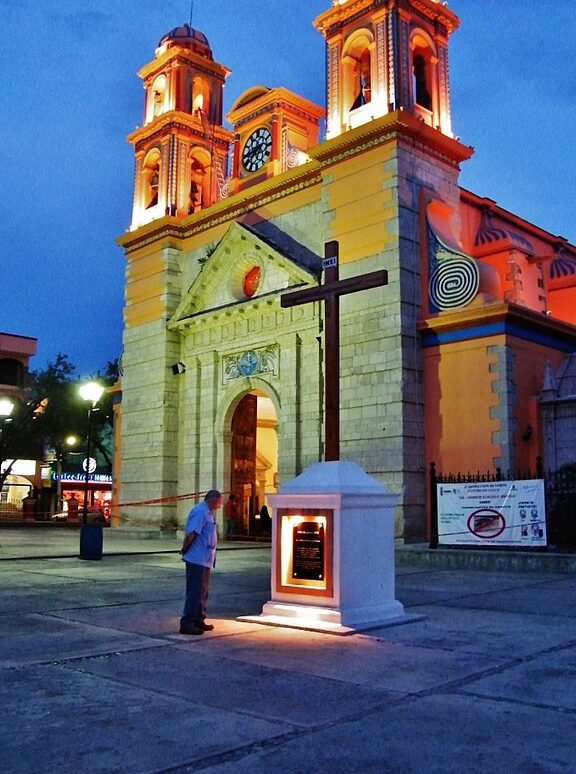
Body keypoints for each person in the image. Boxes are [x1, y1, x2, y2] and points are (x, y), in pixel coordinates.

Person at [179, 489, 222, 635]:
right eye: (219, 502)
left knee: (203, 591)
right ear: (214, 499)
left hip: (204, 560)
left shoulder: (208, 513)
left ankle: (199, 619)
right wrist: (185, 549)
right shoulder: (200, 512)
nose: (220, 506)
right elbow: (192, 533)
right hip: (196, 559)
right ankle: (187, 622)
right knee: (195, 591)